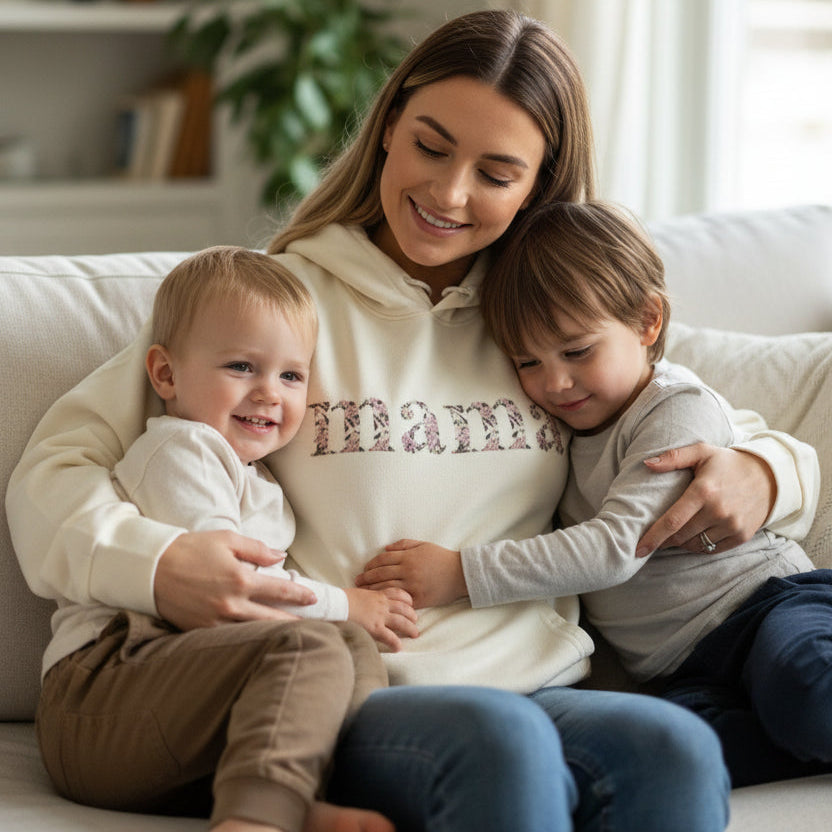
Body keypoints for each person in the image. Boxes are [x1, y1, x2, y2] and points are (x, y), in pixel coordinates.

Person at [5, 9, 820, 832]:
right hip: (364, 694)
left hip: (543, 688)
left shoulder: (543, 326)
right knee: (498, 744)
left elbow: (707, 417)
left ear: (537, 185)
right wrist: (162, 562)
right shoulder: (274, 307)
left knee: (675, 749)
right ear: (390, 126)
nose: (448, 193)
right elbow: (57, 467)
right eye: (431, 146)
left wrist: (768, 473)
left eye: (496, 174)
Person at [356, 200, 832, 788]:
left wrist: (461, 573)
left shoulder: (674, 407)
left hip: (769, 608)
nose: (554, 382)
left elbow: (614, 549)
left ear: (647, 322)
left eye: (578, 351)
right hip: (683, 669)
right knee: (658, 754)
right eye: (528, 361)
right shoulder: (558, 433)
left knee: (807, 687)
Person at [44, 245, 418, 832]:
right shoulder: (183, 450)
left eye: (291, 375)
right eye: (242, 367)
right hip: (102, 695)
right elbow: (238, 594)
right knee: (314, 643)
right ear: (165, 374)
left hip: (173, 720)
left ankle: (291, 794)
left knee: (352, 651)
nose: (271, 392)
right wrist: (349, 602)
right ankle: (257, 820)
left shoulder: (260, 481)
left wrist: (348, 624)